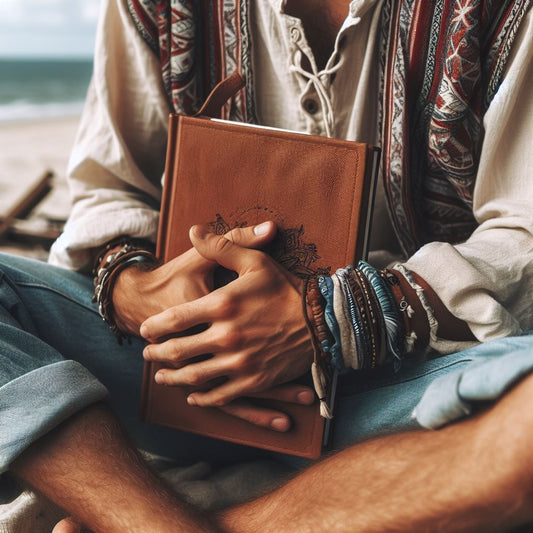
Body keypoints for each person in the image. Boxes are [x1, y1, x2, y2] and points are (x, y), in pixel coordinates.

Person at [2, 0, 533, 531]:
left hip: (409, 382)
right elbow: (109, 189)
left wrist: (328, 318)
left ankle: (183, 520)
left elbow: (524, 235)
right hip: (174, 373)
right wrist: (136, 291)